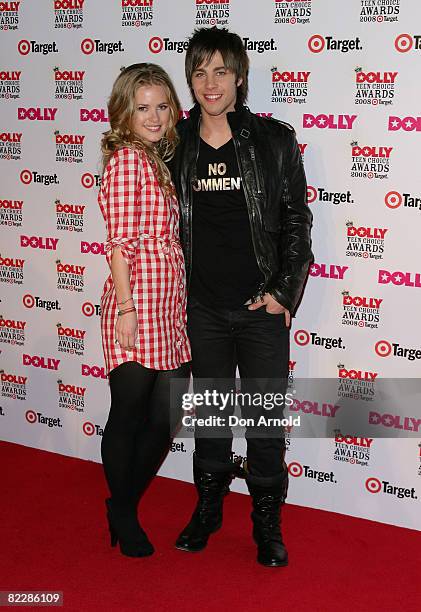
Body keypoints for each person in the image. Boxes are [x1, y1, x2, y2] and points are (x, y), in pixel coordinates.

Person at [170, 28, 313, 567]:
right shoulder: (174, 145)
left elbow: (297, 220)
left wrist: (284, 291)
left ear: (239, 78)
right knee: (209, 417)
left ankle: (267, 524)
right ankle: (208, 510)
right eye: (200, 71)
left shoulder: (274, 141)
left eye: (221, 71)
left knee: (265, 421)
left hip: (259, 310)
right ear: (190, 79)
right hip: (201, 308)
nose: (211, 83)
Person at [98, 63, 191, 558]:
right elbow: (119, 244)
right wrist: (128, 308)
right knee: (129, 414)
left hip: (169, 302)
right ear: (124, 112)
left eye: (161, 106)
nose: (154, 116)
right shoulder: (127, 162)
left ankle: (121, 505)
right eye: (142, 107)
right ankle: (126, 514)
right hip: (137, 301)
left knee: (168, 411)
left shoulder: (156, 158)